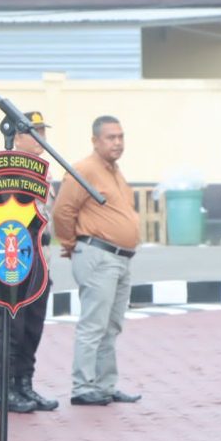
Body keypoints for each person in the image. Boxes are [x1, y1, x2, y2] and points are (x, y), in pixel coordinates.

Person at [53, 115, 143, 406]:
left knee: (111, 325)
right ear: (95, 141)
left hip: (121, 258)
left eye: (120, 137)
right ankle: (83, 387)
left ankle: (105, 385)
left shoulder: (114, 171)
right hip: (98, 255)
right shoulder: (84, 170)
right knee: (94, 324)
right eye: (110, 137)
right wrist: (71, 245)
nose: (117, 143)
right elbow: (62, 212)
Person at [0, 111, 59, 414]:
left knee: (33, 323)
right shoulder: (8, 167)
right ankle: (4, 388)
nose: (40, 137)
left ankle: (24, 384)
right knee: (13, 324)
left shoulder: (43, 169)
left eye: (42, 131)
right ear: (17, 137)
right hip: (16, 251)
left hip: (40, 250)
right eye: (33, 131)